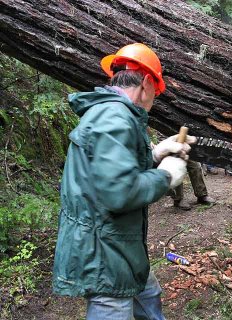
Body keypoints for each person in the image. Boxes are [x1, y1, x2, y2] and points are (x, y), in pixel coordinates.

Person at [52, 43, 196, 320]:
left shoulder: (114, 115)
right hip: (105, 254)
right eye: (157, 89)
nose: (156, 97)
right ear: (146, 82)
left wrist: (155, 154)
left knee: (149, 294)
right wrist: (165, 176)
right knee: (114, 306)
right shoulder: (114, 116)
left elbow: (110, 169)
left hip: (121, 246)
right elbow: (119, 191)